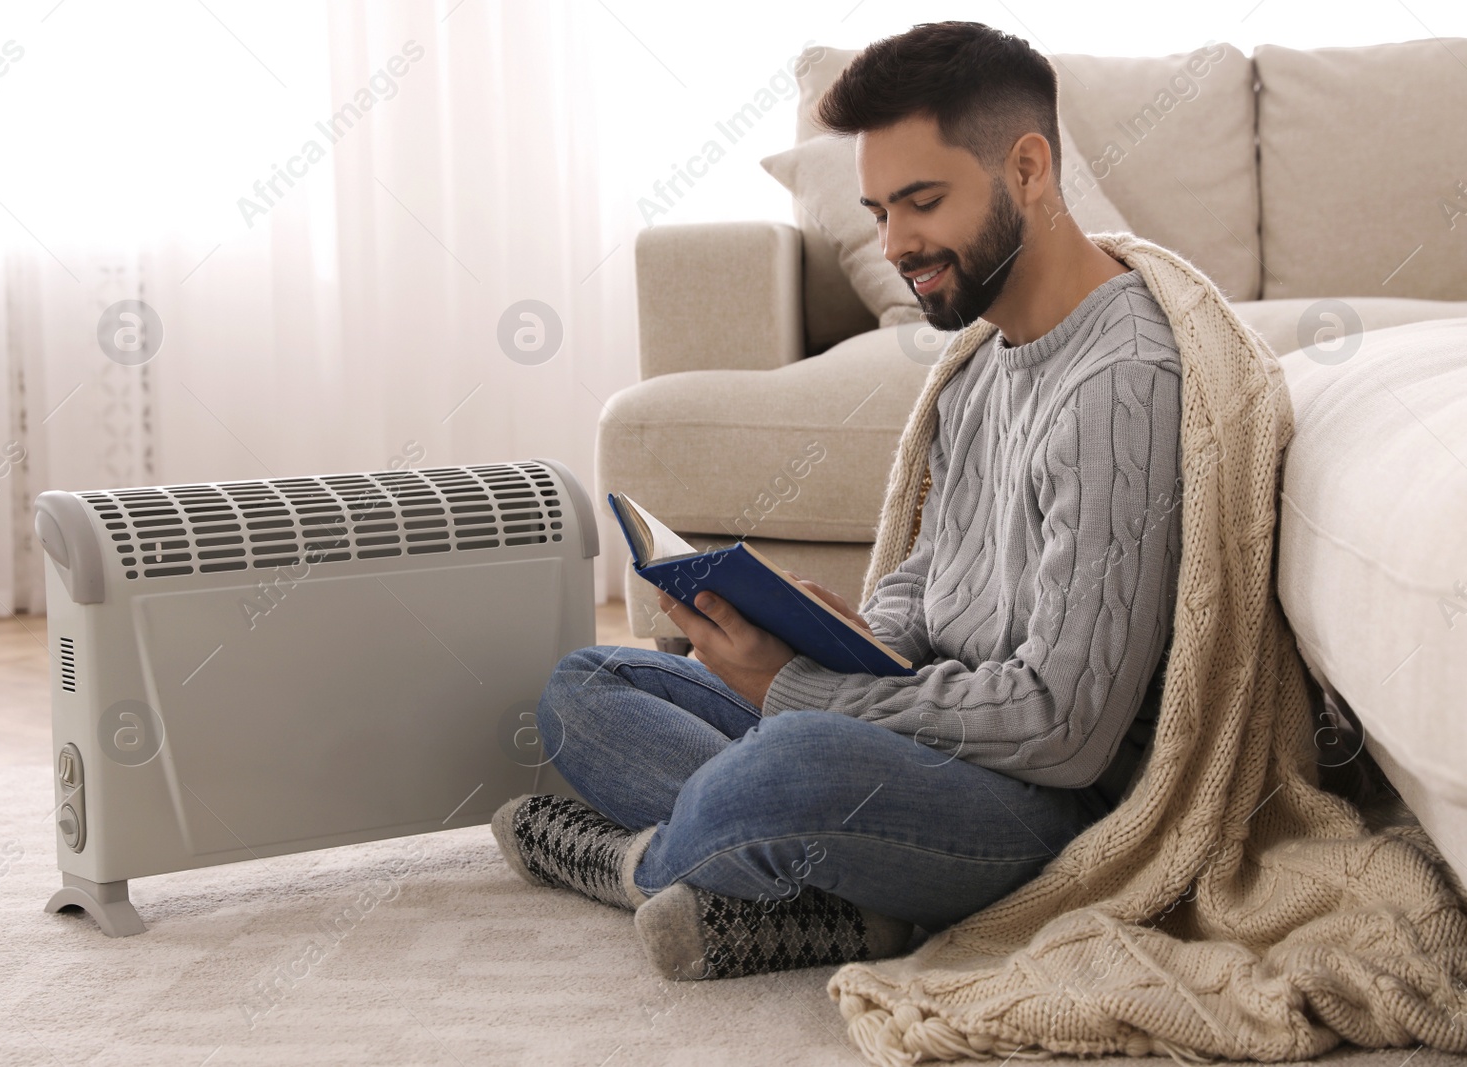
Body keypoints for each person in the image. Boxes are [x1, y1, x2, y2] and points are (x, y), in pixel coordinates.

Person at [492, 20, 1184, 982]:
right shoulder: (984, 359)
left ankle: (636, 861)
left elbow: (1065, 724)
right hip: (915, 721)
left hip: (1039, 802)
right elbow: (937, 562)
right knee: (588, 688)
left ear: (1028, 169)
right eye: (877, 210)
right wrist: (855, 632)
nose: (896, 244)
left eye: (922, 202)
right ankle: (849, 904)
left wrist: (797, 692)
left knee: (791, 763)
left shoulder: (1121, 381)